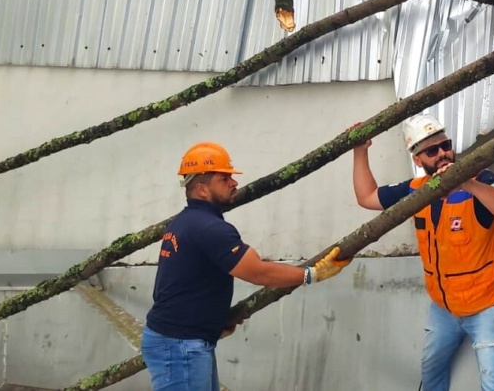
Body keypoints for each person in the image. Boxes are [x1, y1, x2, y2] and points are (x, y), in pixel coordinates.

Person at [142, 141, 351, 391]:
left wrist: (212, 321)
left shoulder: (185, 222)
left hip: (181, 340)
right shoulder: (209, 228)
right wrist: (312, 274)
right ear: (202, 189)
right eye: (224, 178)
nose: (234, 182)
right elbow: (258, 271)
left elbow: (183, 281)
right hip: (181, 344)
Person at [351, 114, 494, 391]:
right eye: (432, 150)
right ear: (418, 159)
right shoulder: (416, 191)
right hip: (444, 307)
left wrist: (465, 182)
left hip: (490, 301)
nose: (443, 153)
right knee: (431, 375)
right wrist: (360, 151)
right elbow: (367, 197)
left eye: (446, 145)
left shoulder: (480, 180)